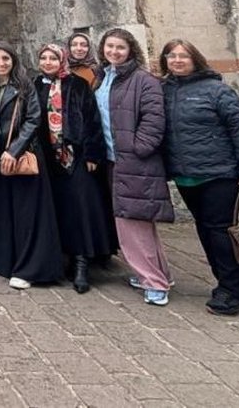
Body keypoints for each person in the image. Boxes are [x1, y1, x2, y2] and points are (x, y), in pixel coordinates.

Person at [161, 39, 239, 315]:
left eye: (183, 56)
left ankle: (236, 292)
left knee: (222, 232)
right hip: (186, 175)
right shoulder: (164, 90)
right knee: (206, 230)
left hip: (219, 174)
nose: (177, 60)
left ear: (195, 59)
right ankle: (226, 284)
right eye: (171, 56)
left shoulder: (216, 90)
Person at [95, 28, 174, 306]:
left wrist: (137, 148)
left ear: (131, 51)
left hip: (133, 161)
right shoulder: (105, 77)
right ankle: (158, 275)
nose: (114, 52)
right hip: (113, 159)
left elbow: (154, 120)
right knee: (139, 221)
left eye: (120, 48)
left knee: (132, 223)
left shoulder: (143, 80)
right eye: (110, 46)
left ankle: (154, 283)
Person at [35, 44, 117, 294]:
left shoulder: (77, 84)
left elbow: (92, 119)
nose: (48, 62)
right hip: (48, 159)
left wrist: (93, 153)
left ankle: (82, 261)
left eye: (53, 58)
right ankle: (63, 257)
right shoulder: (36, 85)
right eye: (44, 58)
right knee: (57, 209)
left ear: (61, 60)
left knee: (80, 208)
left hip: (77, 156)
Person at [0, 41, 63, 289]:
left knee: (27, 214)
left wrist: (14, 150)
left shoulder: (24, 84)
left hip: (23, 154)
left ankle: (30, 269)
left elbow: (33, 119)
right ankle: (8, 263)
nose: (1, 63)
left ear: (13, 60)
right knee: (5, 212)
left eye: (5, 59)